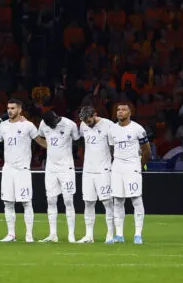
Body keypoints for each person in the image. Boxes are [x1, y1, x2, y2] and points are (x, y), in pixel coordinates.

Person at [106, 102, 151, 244]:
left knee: (136, 199)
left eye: (124, 110)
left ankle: (138, 235)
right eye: (118, 109)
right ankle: (119, 235)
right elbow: (112, 149)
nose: (120, 112)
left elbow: (147, 150)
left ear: (130, 113)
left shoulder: (138, 129)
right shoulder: (112, 129)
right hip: (117, 167)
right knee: (118, 200)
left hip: (132, 166)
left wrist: (139, 164)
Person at [0, 99, 38, 243]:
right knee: (8, 202)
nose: (9, 111)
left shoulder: (28, 125)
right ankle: (11, 234)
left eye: (13, 108)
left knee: (26, 202)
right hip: (8, 169)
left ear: (20, 110)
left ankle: (29, 235)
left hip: (22, 170)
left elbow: (39, 141)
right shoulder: (3, 126)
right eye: (8, 108)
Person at [35, 109, 81, 243]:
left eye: (52, 123)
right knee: (51, 200)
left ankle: (71, 235)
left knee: (68, 200)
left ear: (57, 117)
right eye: (48, 124)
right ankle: (52, 234)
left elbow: (77, 141)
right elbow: (41, 138)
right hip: (50, 168)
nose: (51, 126)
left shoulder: (70, 124)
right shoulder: (43, 124)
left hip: (66, 168)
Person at [78, 105, 116, 243]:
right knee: (88, 202)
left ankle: (110, 235)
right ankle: (89, 236)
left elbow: (113, 147)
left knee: (107, 202)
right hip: (88, 170)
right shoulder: (83, 125)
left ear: (95, 115)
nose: (87, 124)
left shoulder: (109, 125)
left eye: (88, 120)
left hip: (103, 170)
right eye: (84, 121)